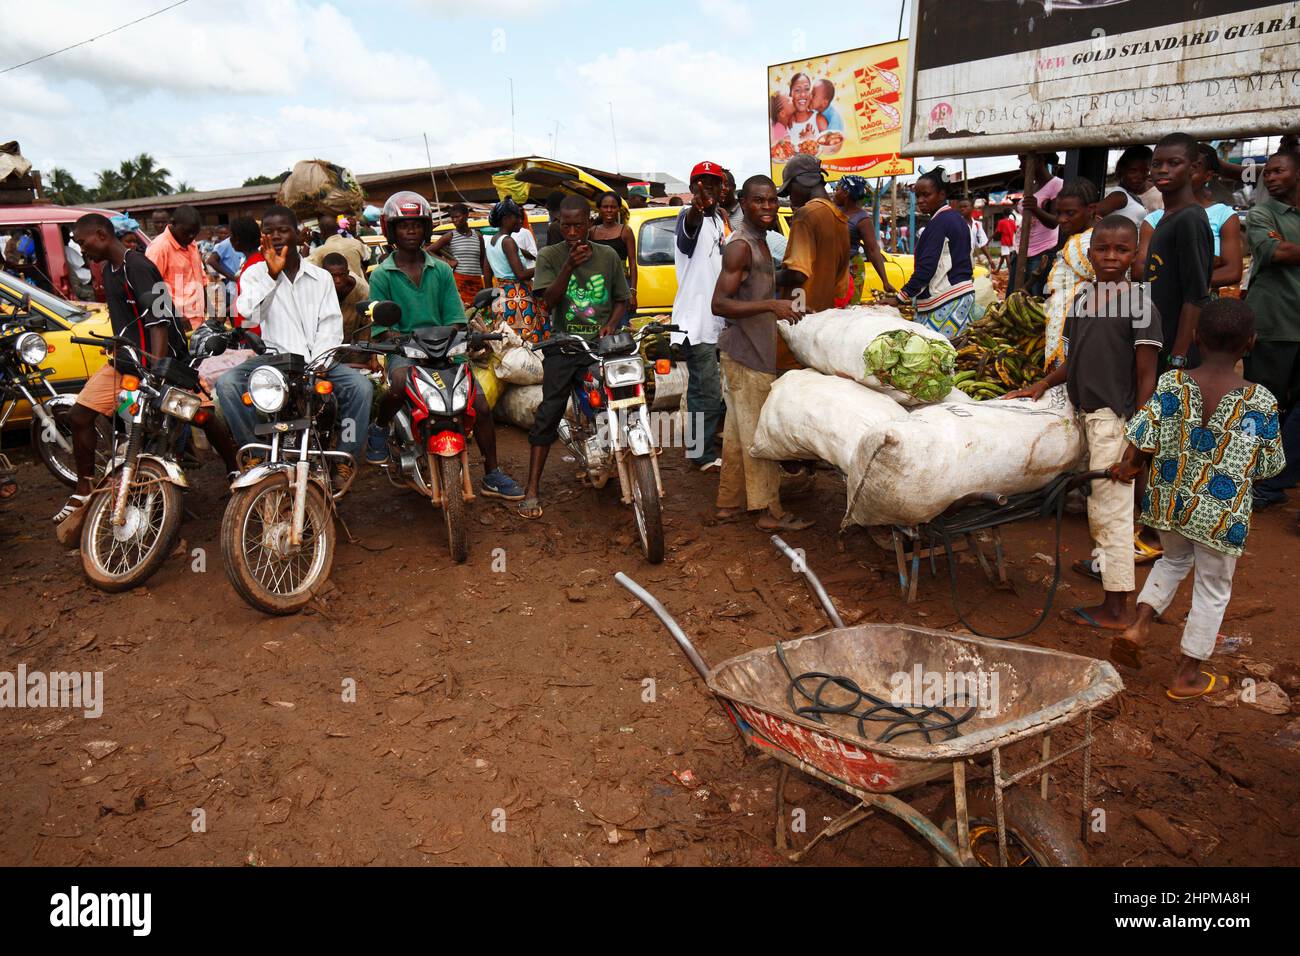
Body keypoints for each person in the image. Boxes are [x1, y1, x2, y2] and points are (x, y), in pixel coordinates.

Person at [1108, 297, 1284, 700]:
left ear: (1197, 338)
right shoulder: (1262, 401)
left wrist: (1131, 465)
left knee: (1172, 560)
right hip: (1220, 516)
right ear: (1251, 343)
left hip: (1169, 504)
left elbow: (1141, 436)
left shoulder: (1172, 383)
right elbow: (1271, 465)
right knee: (1212, 588)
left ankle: (1139, 625)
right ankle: (1187, 674)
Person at [1004, 215, 1162, 629]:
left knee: (1112, 513)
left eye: (1121, 250)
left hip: (1117, 421)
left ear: (1134, 255)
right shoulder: (1083, 298)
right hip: (1086, 417)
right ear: (1088, 253)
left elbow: (1147, 376)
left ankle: (1116, 608)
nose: (1111, 257)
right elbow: (1074, 361)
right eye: (1102, 249)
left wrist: (1138, 443)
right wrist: (1040, 383)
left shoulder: (1141, 303)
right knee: (1098, 509)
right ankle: (1113, 596)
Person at [56, 213, 238, 531]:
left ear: (100, 234)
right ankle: (83, 489)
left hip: (162, 361)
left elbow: (159, 321)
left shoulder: (137, 266)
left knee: (202, 415)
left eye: (83, 242)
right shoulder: (108, 270)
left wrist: (155, 371)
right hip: (126, 361)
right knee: (79, 416)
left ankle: (234, 468)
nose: (82, 250)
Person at [365, 192, 523, 499]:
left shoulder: (441, 270)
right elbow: (382, 328)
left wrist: (446, 338)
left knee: (479, 405)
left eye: (416, 225)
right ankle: (381, 427)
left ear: (425, 229)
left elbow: (455, 318)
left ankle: (492, 473)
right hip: (405, 350)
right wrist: (400, 341)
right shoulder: (382, 274)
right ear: (391, 230)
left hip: (445, 349)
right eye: (403, 226)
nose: (410, 231)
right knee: (397, 383)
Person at [215, 205, 372, 486]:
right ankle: (254, 451)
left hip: (319, 360)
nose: (276, 236)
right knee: (227, 384)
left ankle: (344, 458)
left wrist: (319, 365)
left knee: (360, 389)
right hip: (275, 360)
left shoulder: (321, 277)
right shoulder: (254, 274)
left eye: (283, 230)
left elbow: (331, 324)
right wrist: (271, 276)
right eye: (269, 231)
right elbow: (249, 315)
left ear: (298, 234)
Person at [515, 194, 630, 519]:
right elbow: (547, 303)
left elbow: (621, 299)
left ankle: (627, 464)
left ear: (589, 223)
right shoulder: (550, 256)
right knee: (549, 412)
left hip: (600, 345)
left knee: (621, 399)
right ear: (559, 225)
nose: (572, 232)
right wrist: (569, 265)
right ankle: (532, 489)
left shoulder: (608, 256)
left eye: (578, 225)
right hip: (564, 345)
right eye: (566, 225)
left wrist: (610, 325)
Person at [711, 175, 814, 533]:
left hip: (749, 352)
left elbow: (758, 284)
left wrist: (788, 287)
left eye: (772, 200)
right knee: (761, 436)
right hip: (747, 354)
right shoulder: (740, 245)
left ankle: (727, 504)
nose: (768, 207)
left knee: (739, 435)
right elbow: (719, 304)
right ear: (743, 201)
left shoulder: (762, 243)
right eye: (759, 201)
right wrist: (772, 305)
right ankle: (769, 510)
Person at [1243, 149, 1300, 508]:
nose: (1270, 177)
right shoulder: (1262, 213)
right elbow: (1277, 253)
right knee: (1265, 405)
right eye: (1267, 173)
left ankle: (1277, 478)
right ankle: (1255, 482)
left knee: (1294, 409)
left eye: (1278, 171)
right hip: (1273, 323)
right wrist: (1282, 247)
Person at [672, 160, 731, 471]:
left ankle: (703, 445)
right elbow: (687, 232)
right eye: (701, 182)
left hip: (715, 321)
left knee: (708, 389)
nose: (707, 187)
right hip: (695, 323)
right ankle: (701, 454)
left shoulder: (719, 221)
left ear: (722, 188)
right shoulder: (689, 216)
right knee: (704, 390)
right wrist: (696, 207)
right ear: (693, 186)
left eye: (713, 183)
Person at [1142, 132, 1213, 369]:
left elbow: (1196, 295)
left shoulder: (1189, 219)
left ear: (1192, 168)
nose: (1163, 170)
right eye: (1157, 164)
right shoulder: (1167, 216)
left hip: (1174, 350)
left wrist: (1178, 358)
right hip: (1157, 339)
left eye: (1174, 163)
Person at [1136, 144, 1242, 294]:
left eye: (1194, 168)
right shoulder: (1153, 220)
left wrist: (1166, 271)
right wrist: (1204, 263)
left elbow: (1232, 272)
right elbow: (1139, 270)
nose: (1186, 173)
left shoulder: (1224, 215)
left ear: (1208, 175)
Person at [884, 168, 974, 339]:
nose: (920, 201)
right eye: (918, 196)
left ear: (941, 194)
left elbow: (926, 269)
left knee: (934, 357)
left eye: (926, 195)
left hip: (945, 300)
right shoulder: (957, 220)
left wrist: (899, 298)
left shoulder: (939, 223)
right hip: (962, 296)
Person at [777, 154, 850, 313]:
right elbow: (841, 285)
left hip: (800, 312)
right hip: (824, 314)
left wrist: (767, 278)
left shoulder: (806, 214)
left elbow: (798, 274)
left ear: (801, 182)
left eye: (790, 190)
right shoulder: (840, 219)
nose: (790, 196)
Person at [1042, 179, 1100, 369]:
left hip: (1073, 328)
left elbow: (1103, 283)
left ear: (1091, 209)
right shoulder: (1081, 238)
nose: (1061, 219)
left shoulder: (1085, 242)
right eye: (1058, 213)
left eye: (1070, 213)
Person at [482, 197, 542, 341]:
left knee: (507, 343)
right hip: (517, 296)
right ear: (506, 219)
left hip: (501, 296)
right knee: (526, 342)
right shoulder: (508, 241)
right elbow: (520, 275)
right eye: (517, 217)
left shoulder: (491, 241)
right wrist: (544, 267)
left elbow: (487, 274)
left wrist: (491, 301)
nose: (521, 221)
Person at [146, 204, 208, 330]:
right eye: (187, 233)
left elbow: (200, 276)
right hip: (178, 323)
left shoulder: (191, 243)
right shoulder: (159, 248)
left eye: (194, 234)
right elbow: (151, 287)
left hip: (199, 318)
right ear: (172, 223)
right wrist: (176, 316)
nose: (191, 237)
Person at [836, 175, 895, 302]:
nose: (835, 191)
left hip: (851, 268)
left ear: (846, 192)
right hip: (832, 267)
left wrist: (885, 281)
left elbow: (873, 250)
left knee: (846, 310)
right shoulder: (831, 210)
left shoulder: (862, 219)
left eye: (838, 188)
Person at [1016, 152, 1064, 296]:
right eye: (1020, 160)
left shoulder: (1057, 184)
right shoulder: (1031, 186)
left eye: (1024, 159)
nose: (1020, 165)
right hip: (1021, 250)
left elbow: (1055, 222)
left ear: (1039, 160)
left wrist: (1035, 209)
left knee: (1036, 298)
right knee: (1015, 297)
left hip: (1041, 252)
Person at [428, 202, 487, 308]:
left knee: (479, 311)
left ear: (466, 216)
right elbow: (428, 251)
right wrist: (447, 262)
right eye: (452, 218)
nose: (455, 220)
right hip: (459, 281)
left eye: (457, 217)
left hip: (477, 281)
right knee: (463, 310)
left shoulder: (478, 236)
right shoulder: (450, 236)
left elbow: (483, 260)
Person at [589, 190, 637, 308]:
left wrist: (633, 292)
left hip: (621, 285)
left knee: (621, 323)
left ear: (618, 209)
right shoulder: (592, 232)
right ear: (599, 209)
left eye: (613, 207)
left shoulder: (625, 231)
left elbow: (632, 262)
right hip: (597, 286)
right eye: (605, 207)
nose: (609, 210)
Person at [207, 217, 259, 317]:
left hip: (251, 328)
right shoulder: (248, 262)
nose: (229, 239)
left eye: (231, 236)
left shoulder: (253, 268)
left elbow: (252, 305)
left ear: (238, 240)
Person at [322, 251, 370, 352]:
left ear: (347, 273)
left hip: (355, 350)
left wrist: (371, 357)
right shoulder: (315, 289)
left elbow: (367, 328)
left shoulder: (363, 292)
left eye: (341, 275)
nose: (338, 280)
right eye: (333, 276)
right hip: (323, 351)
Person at [1097, 145, 1155, 227]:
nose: (1139, 176)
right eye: (1133, 171)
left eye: (1145, 171)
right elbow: (1093, 215)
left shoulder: (1130, 195)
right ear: (1122, 170)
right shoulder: (1118, 196)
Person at [308, 214, 370, 280]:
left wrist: (306, 242)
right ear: (338, 228)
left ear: (322, 233)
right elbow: (367, 256)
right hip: (359, 288)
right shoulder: (356, 243)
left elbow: (306, 267)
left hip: (335, 289)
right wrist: (354, 233)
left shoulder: (319, 251)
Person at [786, 73, 827, 150]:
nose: (803, 94)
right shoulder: (785, 122)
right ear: (790, 94)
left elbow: (829, 151)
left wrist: (812, 141)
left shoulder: (819, 120)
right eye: (797, 90)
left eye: (807, 89)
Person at [956, 197, 996, 273]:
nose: (962, 209)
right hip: (957, 259)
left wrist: (990, 259)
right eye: (960, 207)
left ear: (972, 208)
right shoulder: (956, 224)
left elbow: (982, 243)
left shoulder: (977, 225)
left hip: (969, 259)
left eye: (965, 206)